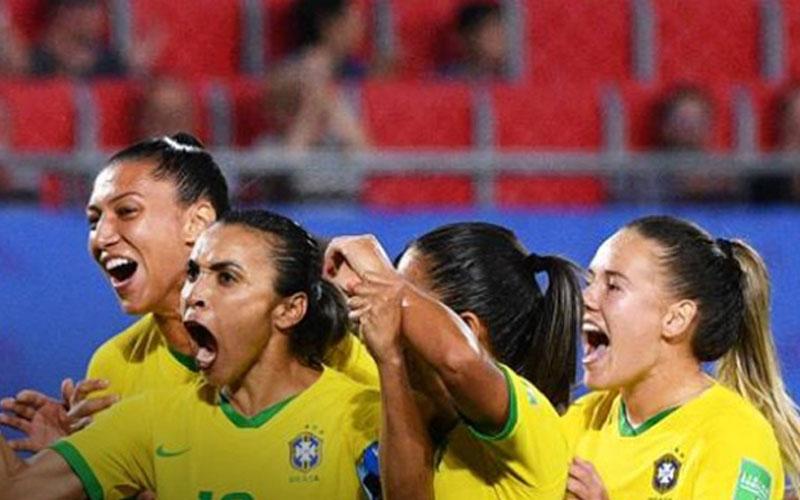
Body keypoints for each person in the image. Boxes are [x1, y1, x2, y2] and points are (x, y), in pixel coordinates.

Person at [0, 209, 383, 499]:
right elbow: (18, 490)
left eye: (226, 278)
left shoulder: (360, 416)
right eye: (194, 273)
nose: (194, 294)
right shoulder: (151, 420)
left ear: (289, 309)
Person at [0, 133, 230, 449]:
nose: (102, 236)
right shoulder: (112, 370)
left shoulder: (290, 338)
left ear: (197, 222)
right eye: (94, 221)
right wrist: (81, 464)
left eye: (126, 211)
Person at [326, 222, 582, 498]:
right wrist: (390, 362)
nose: (387, 309)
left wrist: (380, 276)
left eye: (406, 299)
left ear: (467, 329)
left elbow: (459, 360)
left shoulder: (535, 427)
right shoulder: (394, 385)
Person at [562, 215, 800, 498]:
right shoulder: (579, 421)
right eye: (590, 282)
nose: (586, 297)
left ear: (676, 318)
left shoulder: (735, 435)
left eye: (613, 286)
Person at [259, 0, 369, 151]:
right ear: (329, 25)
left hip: (334, 151)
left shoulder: (352, 67)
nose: (360, 28)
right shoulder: (293, 69)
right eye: (353, 21)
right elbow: (276, 108)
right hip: (296, 146)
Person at [440, 2, 508, 80]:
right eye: (491, 31)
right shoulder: (449, 78)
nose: (500, 39)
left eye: (502, 31)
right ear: (468, 37)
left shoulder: (512, 73)